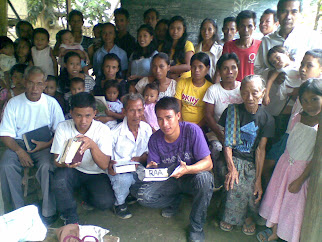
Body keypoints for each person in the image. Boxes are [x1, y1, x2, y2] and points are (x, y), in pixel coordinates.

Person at [133, 96, 214, 242]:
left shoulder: (192, 130)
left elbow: (208, 164)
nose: (165, 124)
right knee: (143, 196)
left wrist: (187, 169)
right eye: (160, 119)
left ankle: (196, 227)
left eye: (169, 117)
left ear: (178, 115)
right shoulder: (155, 139)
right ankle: (175, 199)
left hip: (191, 178)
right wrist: (152, 168)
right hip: (169, 180)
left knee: (205, 178)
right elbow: (155, 165)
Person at [258, 79, 321, 242]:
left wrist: (300, 180)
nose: (309, 105)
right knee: (279, 199)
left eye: (315, 99)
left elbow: (316, 158)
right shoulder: (298, 117)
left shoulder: (319, 126)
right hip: (285, 165)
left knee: (292, 206)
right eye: (305, 101)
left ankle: (288, 235)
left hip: (301, 172)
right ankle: (275, 230)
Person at [0, 66, 65, 225]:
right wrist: (20, 151)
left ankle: (48, 212)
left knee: (46, 166)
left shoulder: (51, 103)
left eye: (39, 84)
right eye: (30, 83)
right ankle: (17, 212)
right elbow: (5, 134)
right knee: (6, 165)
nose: (35, 88)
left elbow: (61, 131)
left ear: (44, 84)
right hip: (18, 144)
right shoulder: (14, 103)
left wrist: (47, 144)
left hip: (45, 143)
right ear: (24, 82)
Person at [218, 75, 274, 236]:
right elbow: (227, 144)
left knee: (253, 187)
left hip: (251, 161)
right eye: (245, 93)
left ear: (263, 93)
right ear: (240, 93)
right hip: (231, 157)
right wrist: (232, 168)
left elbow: (260, 150)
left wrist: (258, 179)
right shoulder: (232, 111)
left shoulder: (267, 119)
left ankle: (248, 216)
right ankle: (231, 216)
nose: (249, 98)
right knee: (234, 181)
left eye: (255, 93)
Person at [52, 92, 114, 225]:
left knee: (105, 203)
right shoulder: (63, 127)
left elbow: (104, 165)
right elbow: (56, 160)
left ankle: (85, 193)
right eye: (78, 115)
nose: (83, 121)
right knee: (60, 180)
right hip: (72, 170)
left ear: (95, 113)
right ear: (71, 113)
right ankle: (70, 215)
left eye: (88, 115)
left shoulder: (103, 130)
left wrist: (92, 145)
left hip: (95, 173)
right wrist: (66, 164)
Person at [262, 49, 322, 187]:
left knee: (272, 166)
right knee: (272, 166)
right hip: (289, 135)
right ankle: (269, 192)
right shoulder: (302, 85)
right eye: (302, 65)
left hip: (301, 144)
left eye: (309, 65)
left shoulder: (317, 92)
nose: (303, 69)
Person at [108, 93, 152, 219]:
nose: (136, 115)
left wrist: (142, 158)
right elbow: (108, 159)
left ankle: (130, 193)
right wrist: (110, 165)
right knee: (124, 180)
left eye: (139, 110)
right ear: (124, 111)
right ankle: (119, 203)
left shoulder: (146, 129)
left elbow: (149, 152)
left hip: (138, 168)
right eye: (131, 110)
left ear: (143, 110)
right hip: (120, 172)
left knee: (151, 178)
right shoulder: (115, 133)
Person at [254, 0, 321, 80]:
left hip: (303, 91)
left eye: (294, 12)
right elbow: (257, 69)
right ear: (278, 14)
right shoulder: (267, 41)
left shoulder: (312, 37)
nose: (288, 16)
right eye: (284, 12)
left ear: (300, 14)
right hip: (274, 91)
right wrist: (272, 74)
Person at [203, 53, 243, 170]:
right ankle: (216, 178)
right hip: (217, 131)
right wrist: (220, 133)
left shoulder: (243, 88)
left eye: (233, 67)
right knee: (217, 149)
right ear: (219, 71)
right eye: (225, 68)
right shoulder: (213, 90)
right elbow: (208, 116)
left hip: (239, 132)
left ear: (237, 69)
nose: (229, 72)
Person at [174, 52, 212, 126]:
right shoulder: (182, 82)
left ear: (207, 68)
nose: (197, 70)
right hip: (181, 124)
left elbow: (208, 114)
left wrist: (196, 128)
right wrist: (181, 124)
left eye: (200, 67)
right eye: (194, 67)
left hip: (201, 127)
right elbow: (177, 107)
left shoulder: (210, 88)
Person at [223, 10, 261, 82]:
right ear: (237, 28)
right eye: (242, 26)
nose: (246, 30)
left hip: (252, 90)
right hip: (233, 89)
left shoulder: (260, 46)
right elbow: (222, 70)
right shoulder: (228, 46)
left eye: (249, 26)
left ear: (254, 28)